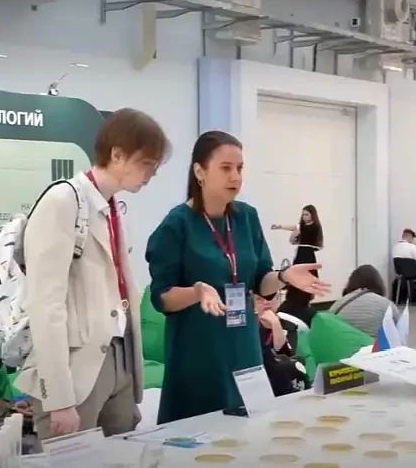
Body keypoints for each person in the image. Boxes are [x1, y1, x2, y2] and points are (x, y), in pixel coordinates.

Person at [146, 130, 329, 423]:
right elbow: (162, 297)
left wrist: (284, 276)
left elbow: (260, 280)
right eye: (225, 168)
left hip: (244, 347)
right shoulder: (176, 225)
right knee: (199, 435)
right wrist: (197, 292)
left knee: (248, 435)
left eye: (240, 168)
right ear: (200, 172)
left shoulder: (247, 217)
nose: (235, 177)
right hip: (199, 352)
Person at [15, 108, 168, 442]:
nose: (152, 173)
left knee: (123, 455)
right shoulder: (63, 200)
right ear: (117, 154)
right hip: (75, 364)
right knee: (72, 456)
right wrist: (59, 397)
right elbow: (46, 304)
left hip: (119, 356)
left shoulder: (112, 207)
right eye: (146, 163)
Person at [255, 293, 307, 396]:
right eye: (259, 299)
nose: (266, 302)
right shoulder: (249, 329)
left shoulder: (291, 325)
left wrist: (275, 324)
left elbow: (287, 357)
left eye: (271, 297)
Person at [328, 264, 398, 338]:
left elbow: (327, 327)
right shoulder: (387, 305)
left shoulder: (338, 304)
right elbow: (399, 330)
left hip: (344, 344)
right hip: (376, 344)